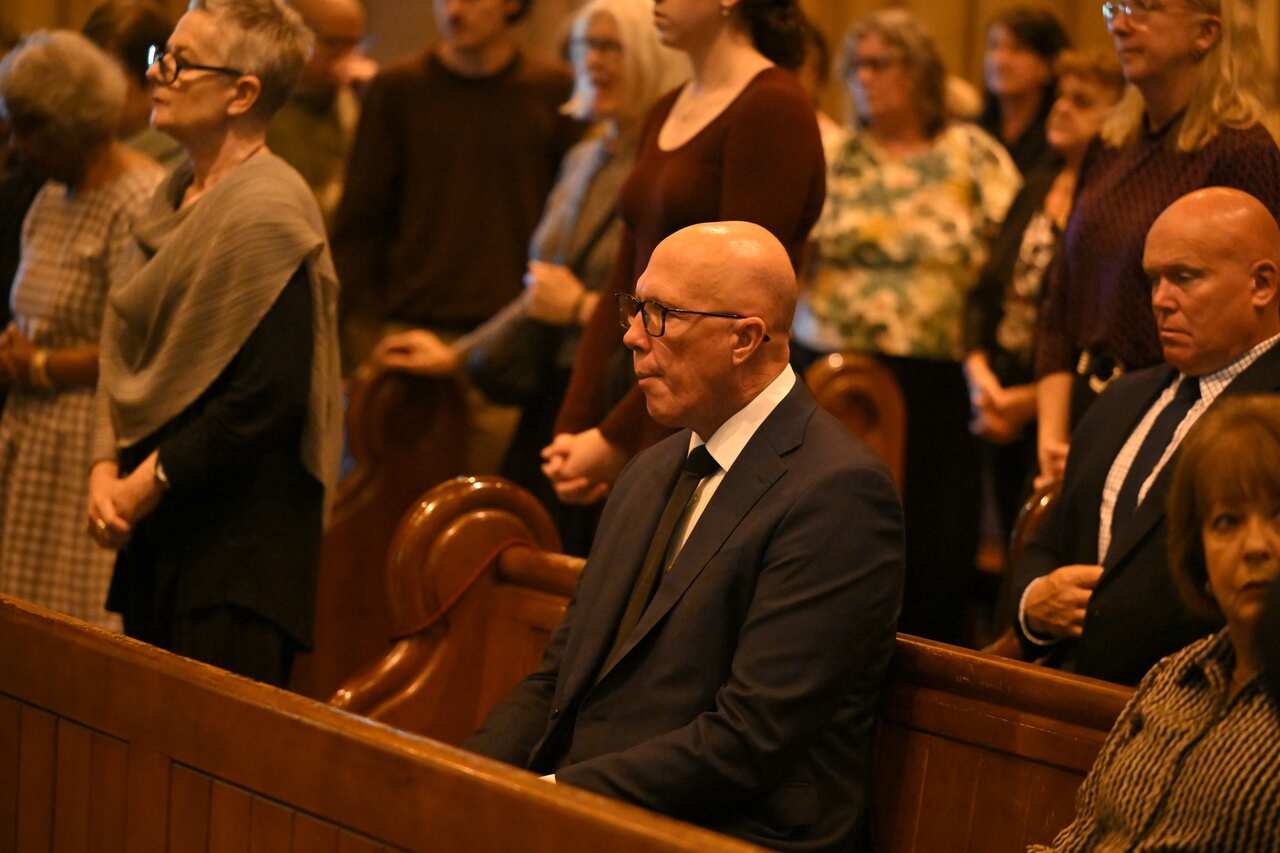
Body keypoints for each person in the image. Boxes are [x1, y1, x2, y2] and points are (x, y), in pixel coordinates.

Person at [465, 221, 903, 852]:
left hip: (731, 835)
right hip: (608, 814)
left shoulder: (838, 493)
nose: (632, 336)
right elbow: (558, 681)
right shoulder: (648, 472)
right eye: (635, 308)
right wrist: (462, 775)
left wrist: (553, 793)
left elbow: (750, 740)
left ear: (744, 339)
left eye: (661, 314)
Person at [86, 0, 343, 687]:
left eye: (180, 62)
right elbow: (131, 358)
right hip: (165, 538)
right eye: (159, 57)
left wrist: (142, 483)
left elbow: (267, 398)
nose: (159, 75)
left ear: (243, 93)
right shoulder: (169, 195)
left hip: (235, 561)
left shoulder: (270, 210)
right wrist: (104, 469)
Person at [372, 0, 687, 550]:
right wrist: (460, 354)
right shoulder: (584, 156)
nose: (595, 62)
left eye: (612, 47)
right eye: (586, 47)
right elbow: (541, 289)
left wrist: (578, 307)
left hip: (620, 387)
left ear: (651, 55)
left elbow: (669, 301)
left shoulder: (665, 167)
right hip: (551, 387)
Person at [792, 8, 1020, 644]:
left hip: (938, 378)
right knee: (830, 527)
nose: (864, 78)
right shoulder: (835, 155)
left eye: (879, 64)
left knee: (930, 534)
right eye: (855, 66)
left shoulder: (971, 153)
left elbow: (1018, 260)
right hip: (834, 371)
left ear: (920, 73)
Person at [543, 0, 825, 509]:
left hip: (705, 413)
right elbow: (623, 281)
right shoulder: (665, 108)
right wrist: (575, 425)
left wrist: (613, 437)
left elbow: (736, 307)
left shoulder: (772, 108)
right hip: (638, 395)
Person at [1010, 187, 1280, 686]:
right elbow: (1047, 540)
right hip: (1061, 694)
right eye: (1153, 279)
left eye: (1184, 278)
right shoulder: (1120, 399)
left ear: (1261, 285)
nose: (1160, 301)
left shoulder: (1271, 418)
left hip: (1207, 711)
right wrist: (1034, 602)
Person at [1034, 0, 1280, 486]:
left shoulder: (1242, 153)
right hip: (1081, 410)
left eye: (1144, 8)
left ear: (1205, 34)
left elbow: (1252, 326)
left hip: (1177, 418)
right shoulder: (1111, 142)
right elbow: (1063, 298)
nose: (1121, 25)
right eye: (1113, 7)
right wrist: (1052, 436)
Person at [330, 0, 580, 473]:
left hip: (503, 343)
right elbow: (358, 226)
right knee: (382, 510)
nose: (454, 9)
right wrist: (362, 345)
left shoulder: (552, 92)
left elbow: (568, 225)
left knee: (478, 516)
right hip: (408, 330)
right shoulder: (398, 89)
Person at [1032, 394, 1280, 851]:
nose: (1256, 546)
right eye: (1227, 522)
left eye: (1278, 516)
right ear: (1199, 555)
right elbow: (1082, 834)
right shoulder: (1172, 678)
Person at [0, 31, 164, 629]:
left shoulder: (139, 200)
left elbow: (140, 344)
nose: (16, 145)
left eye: (27, 129)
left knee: (70, 624)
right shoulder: (49, 197)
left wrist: (40, 365)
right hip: (31, 435)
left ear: (69, 126)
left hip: (86, 443)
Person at [965, 49, 1125, 539]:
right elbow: (988, 286)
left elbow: (1101, 322)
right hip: (996, 389)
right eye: (1060, 97)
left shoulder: (1114, 204)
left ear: (1120, 117)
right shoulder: (1037, 183)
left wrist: (1031, 402)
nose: (1061, 108)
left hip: (1064, 402)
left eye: (1082, 101)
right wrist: (978, 372)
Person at [267, 0, 375, 227]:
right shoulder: (260, 105)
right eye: (335, 43)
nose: (350, 57)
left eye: (356, 43)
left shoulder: (353, 97)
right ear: (294, 35)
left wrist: (377, 102)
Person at [82, 1, 184, 168]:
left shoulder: (176, 170)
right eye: (87, 76)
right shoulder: (85, 159)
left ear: (155, 80)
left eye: (106, 78)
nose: (90, 91)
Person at [977, 6, 1069, 176]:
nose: (999, 61)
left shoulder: (1060, 139)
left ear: (1048, 65)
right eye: (994, 46)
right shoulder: (974, 132)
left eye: (1017, 49)